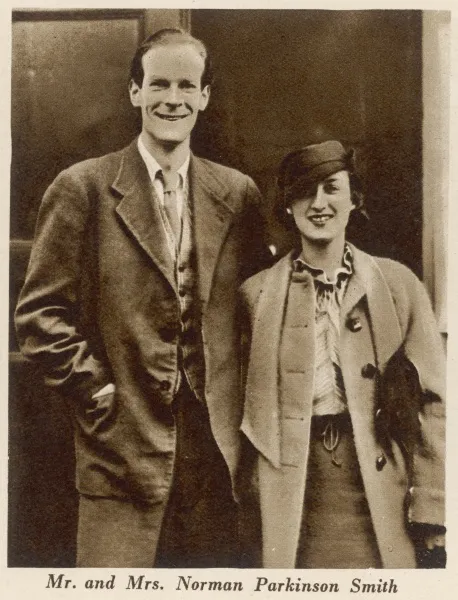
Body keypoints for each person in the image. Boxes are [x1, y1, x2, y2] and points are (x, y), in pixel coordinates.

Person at [15, 28, 268, 568]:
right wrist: (98, 392)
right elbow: (40, 315)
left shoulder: (237, 193)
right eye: (158, 84)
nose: (171, 99)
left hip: (214, 451)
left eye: (186, 86)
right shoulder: (83, 186)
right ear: (135, 93)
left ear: (204, 96)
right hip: (121, 446)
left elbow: (257, 308)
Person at [238, 140, 445, 568]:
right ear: (288, 206)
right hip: (291, 494)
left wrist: (433, 509)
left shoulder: (397, 286)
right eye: (303, 191)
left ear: (354, 199)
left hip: (380, 491)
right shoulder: (255, 297)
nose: (318, 203)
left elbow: (437, 405)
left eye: (331, 188)